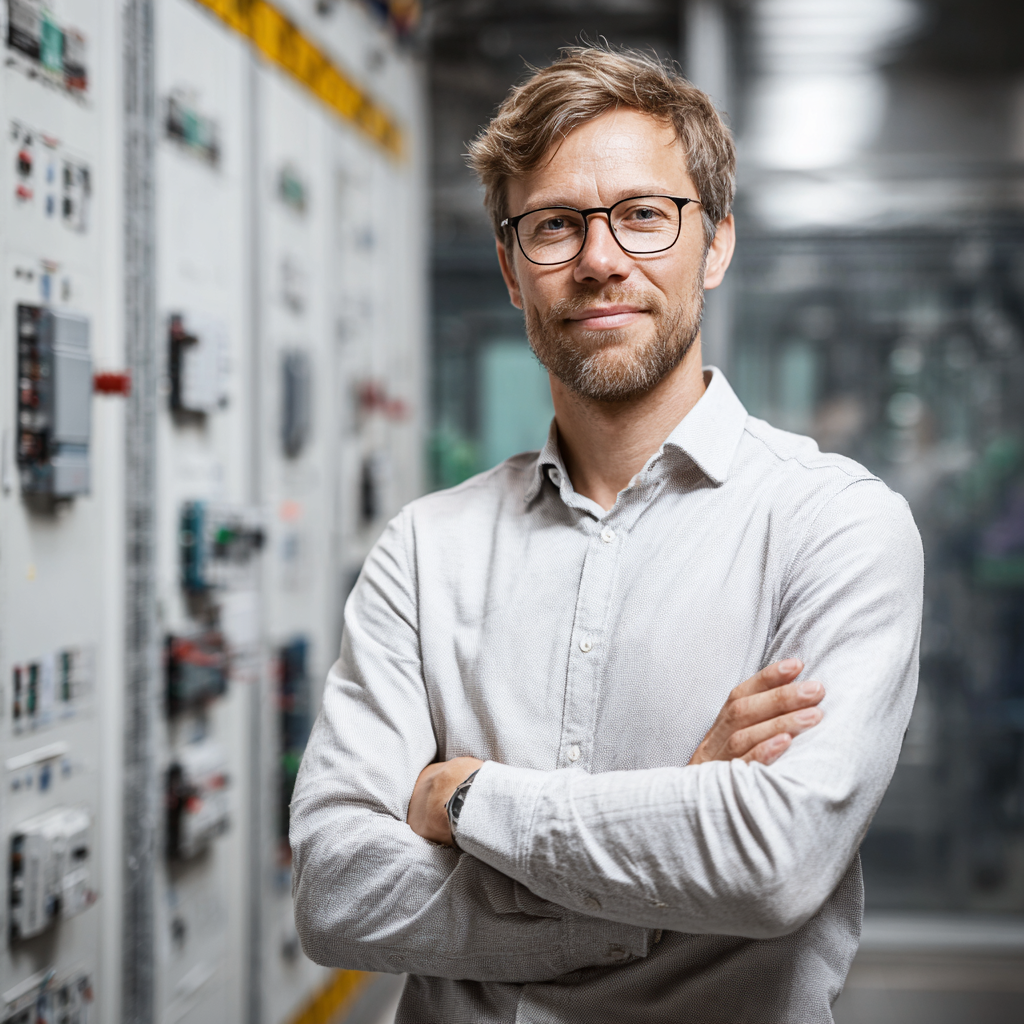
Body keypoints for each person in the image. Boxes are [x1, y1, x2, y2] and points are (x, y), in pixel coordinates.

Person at [290, 47, 923, 1024]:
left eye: (643, 214)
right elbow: (336, 891)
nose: (599, 260)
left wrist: (465, 800)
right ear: (511, 269)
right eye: (554, 225)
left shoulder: (834, 525)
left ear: (715, 244)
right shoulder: (424, 549)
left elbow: (771, 862)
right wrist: (664, 854)